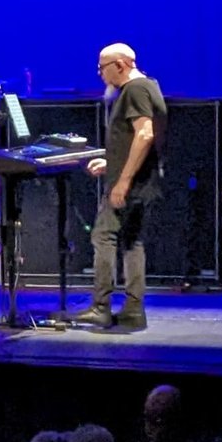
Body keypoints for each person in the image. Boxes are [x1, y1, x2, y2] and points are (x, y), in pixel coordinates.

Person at [75, 42, 167, 331]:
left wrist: (123, 180)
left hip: (131, 184)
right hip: (144, 182)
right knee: (132, 241)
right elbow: (135, 139)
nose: (100, 74)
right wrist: (110, 162)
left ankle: (101, 307)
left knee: (103, 236)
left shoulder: (135, 89)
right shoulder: (150, 86)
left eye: (102, 68)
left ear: (120, 65)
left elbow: (145, 134)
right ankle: (134, 310)